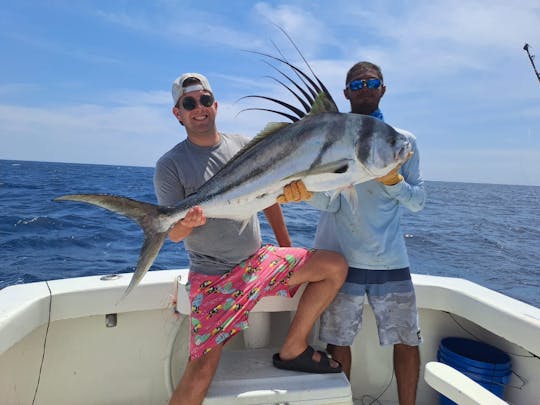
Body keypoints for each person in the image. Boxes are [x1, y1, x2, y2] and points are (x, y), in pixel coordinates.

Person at [154, 72, 348, 405]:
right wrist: (187, 224)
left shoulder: (244, 146)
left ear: (215, 105)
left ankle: (293, 347)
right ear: (178, 113)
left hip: (259, 263)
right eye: (189, 103)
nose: (198, 108)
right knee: (200, 373)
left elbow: (268, 196)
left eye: (204, 100)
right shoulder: (170, 165)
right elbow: (172, 233)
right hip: (215, 276)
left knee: (333, 265)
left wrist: (285, 247)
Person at [283, 61, 425, 405]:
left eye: (372, 82)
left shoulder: (402, 141)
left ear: (383, 88)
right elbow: (334, 203)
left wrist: (394, 182)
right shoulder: (335, 138)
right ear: (346, 93)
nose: (365, 88)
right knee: (337, 342)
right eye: (357, 85)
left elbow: (418, 200)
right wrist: (304, 195)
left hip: (390, 260)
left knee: (408, 341)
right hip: (344, 260)